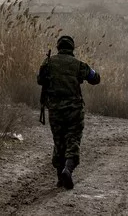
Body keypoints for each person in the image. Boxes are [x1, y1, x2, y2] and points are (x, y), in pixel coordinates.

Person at [37, 35, 101, 190]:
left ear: (58, 47)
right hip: (74, 110)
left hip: (55, 109)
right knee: (73, 139)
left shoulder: (48, 62)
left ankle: (60, 177)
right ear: (72, 48)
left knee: (59, 141)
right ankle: (68, 169)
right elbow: (96, 78)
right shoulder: (79, 65)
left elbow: (40, 80)